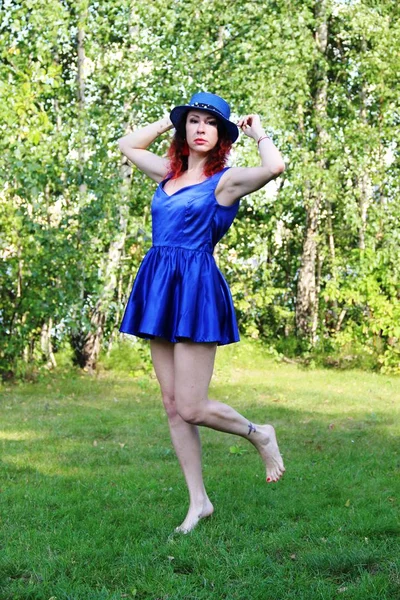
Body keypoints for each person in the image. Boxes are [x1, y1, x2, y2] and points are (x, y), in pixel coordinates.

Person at [118, 92, 286, 534]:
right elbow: (128, 146)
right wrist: (163, 120)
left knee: (192, 406)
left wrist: (259, 133)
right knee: (173, 406)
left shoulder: (224, 182)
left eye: (209, 123)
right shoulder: (169, 172)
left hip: (194, 290)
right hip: (159, 285)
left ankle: (259, 433)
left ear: (221, 136)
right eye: (192, 121)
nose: (199, 128)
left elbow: (274, 168)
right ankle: (199, 503)